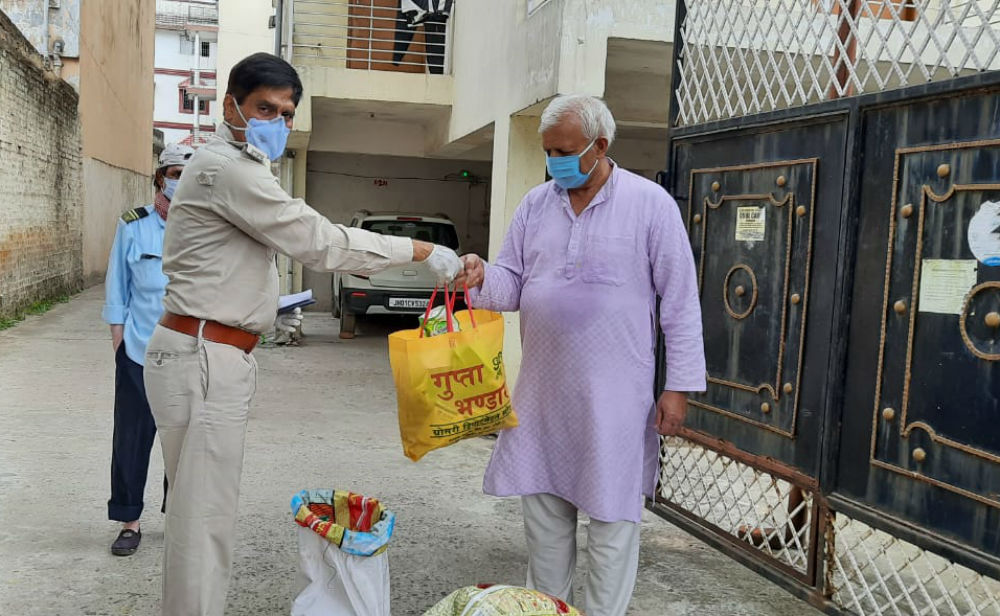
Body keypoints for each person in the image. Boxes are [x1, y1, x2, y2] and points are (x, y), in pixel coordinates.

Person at [142, 52, 462, 616]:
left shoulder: (237, 167)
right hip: (203, 354)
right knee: (202, 525)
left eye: (287, 113)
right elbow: (320, 242)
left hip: (205, 352)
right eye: (265, 108)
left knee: (200, 518)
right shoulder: (227, 169)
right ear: (230, 107)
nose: (278, 122)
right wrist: (423, 250)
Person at [460, 94, 706, 616]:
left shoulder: (649, 204)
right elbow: (513, 284)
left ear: (600, 145)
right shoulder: (535, 204)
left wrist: (677, 388)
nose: (555, 162)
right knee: (545, 527)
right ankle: (548, 611)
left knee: (614, 526)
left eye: (565, 151)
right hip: (544, 395)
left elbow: (681, 301)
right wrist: (482, 279)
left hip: (616, 400)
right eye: (549, 151)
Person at [102, 142, 194, 556]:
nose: (180, 182)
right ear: (161, 178)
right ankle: (129, 522)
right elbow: (117, 281)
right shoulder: (133, 225)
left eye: (187, 177)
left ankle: (176, 518)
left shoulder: (204, 226)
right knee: (132, 439)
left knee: (185, 444)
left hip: (189, 353)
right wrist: (118, 336)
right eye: (174, 175)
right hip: (139, 350)